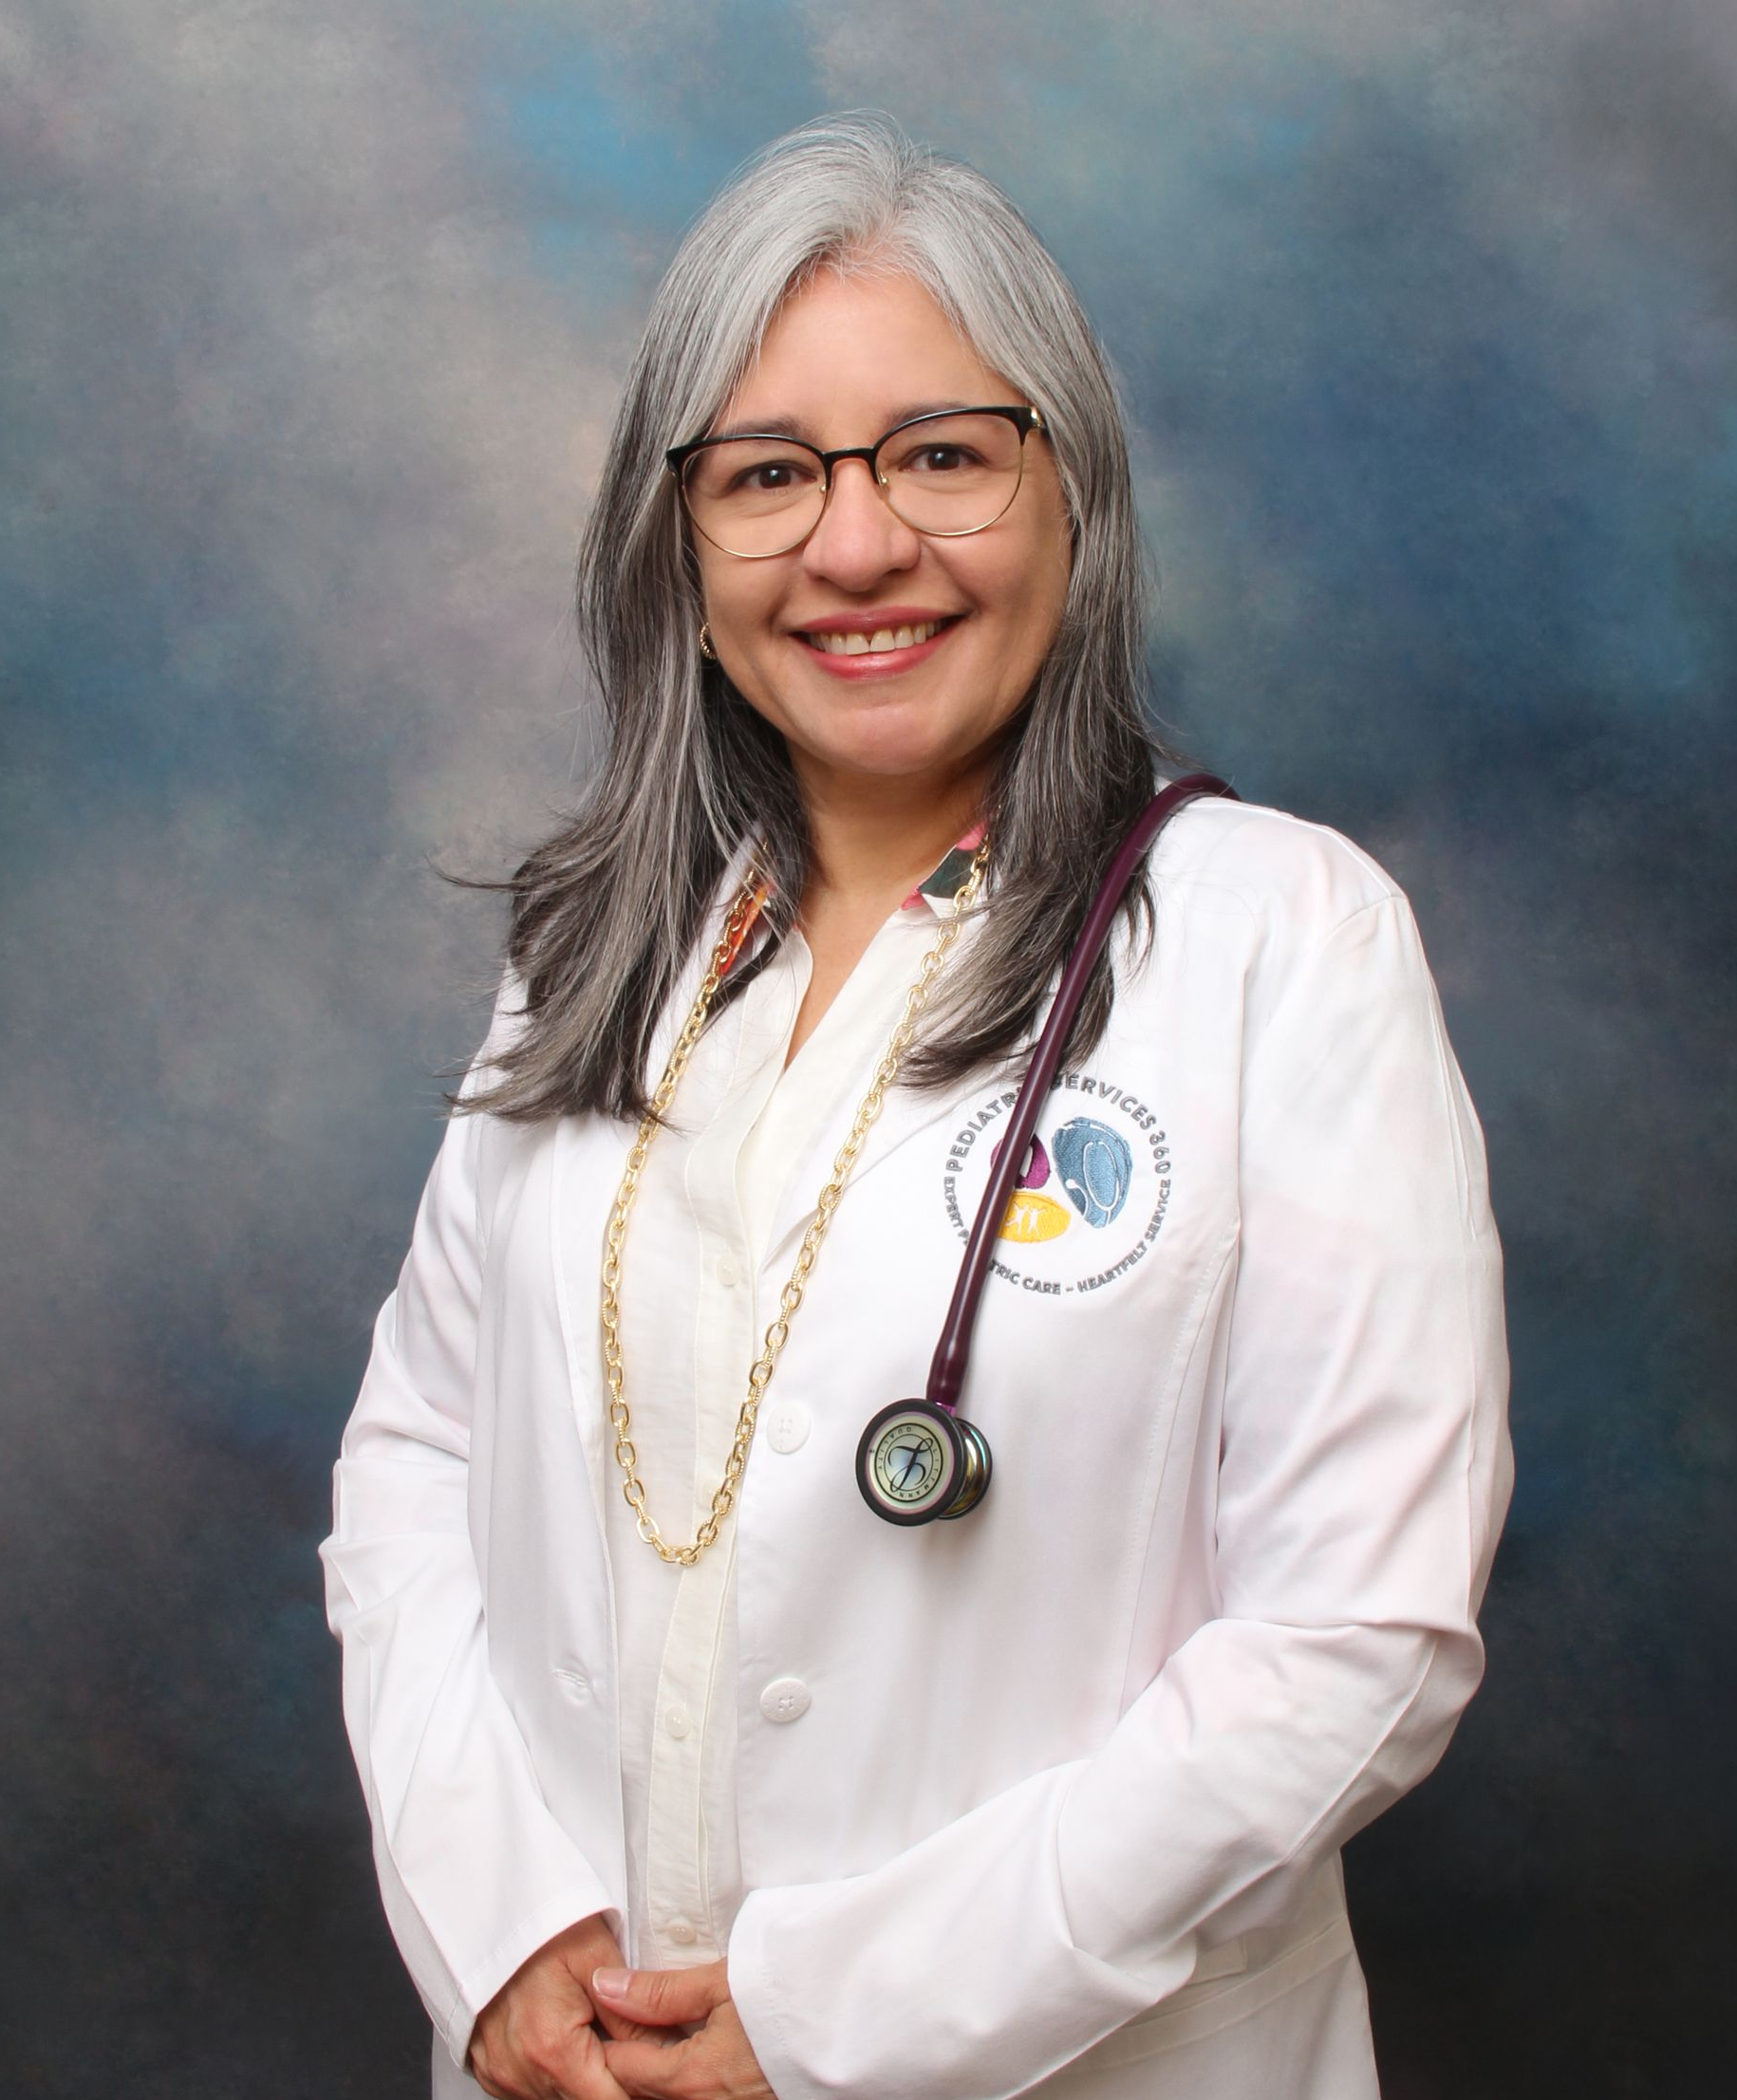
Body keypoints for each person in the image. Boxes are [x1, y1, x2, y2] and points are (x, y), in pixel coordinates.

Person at [321, 113, 1511, 2100]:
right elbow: (418, 1458)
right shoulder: (597, 949)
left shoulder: (1280, 940)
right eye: (768, 474)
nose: (858, 545)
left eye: (941, 453)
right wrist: (502, 1920)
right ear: (678, 539)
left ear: (1072, 491)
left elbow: (1358, 1635)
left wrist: (830, 2015)